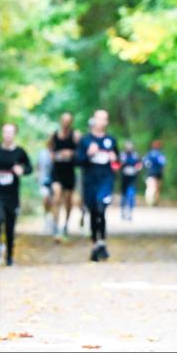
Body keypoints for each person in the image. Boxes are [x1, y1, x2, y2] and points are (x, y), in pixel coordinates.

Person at [0, 123, 32, 266]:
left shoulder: (20, 152)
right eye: (5, 132)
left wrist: (22, 170)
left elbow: (29, 168)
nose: (8, 135)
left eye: (11, 132)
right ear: (2, 133)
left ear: (15, 134)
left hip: (12, 195)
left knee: (10, 226)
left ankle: (10, 257)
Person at [77, 109, 119, 261]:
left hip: (105, 181)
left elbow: (117, 165)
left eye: (104, 119)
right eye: (98, 118)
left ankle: (102, 241)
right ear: (94, 120)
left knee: (101, 208)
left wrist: (114, 160)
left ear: (107, 122)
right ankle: (96, 243)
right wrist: (89, 154)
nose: (101, 122)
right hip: (90, 182)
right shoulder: (85, 140)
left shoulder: (111, 141)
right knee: (94, 212)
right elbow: (78, 161)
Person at [48, 112, 79, 241]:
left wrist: (71, 153)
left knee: (68, 200)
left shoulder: (75, 135)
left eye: (68, 120)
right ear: (60, 121)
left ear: (71, 122)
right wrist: (54, 155)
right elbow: (49, 149)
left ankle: (65, 225)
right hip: (57, 172)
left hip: (69, 172)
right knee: (56, 196)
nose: (66, 123)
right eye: (64, 120)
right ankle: (55, 225)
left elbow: (80, 151)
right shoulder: (54, 135)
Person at [119, 141, 141, 221]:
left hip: (133, 178)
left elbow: (139, 164)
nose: (129, 148)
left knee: (131, 195)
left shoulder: (135, 156)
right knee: (124, 196)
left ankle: (130, 212)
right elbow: (118, 165)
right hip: (124, 178)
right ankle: (123, 211)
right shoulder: (122, 155)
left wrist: (137, 168)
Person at [36, 140, 54, 233]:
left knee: (54, 201)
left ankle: (53, 221)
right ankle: (47, 218)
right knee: (46, 199)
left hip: (54, 179)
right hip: (43, 180)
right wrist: (37, 175)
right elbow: (38, 165)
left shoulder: (56, 152)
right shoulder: (42, 153)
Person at [143, 140, 167, 207]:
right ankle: (153, 202)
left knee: (151, 187)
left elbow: (145, 163)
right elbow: (163, 164)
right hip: (158, 173)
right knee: (156, 188)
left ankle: (150, 201)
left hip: (150, 173)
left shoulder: (148, 154)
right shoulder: (161, 155)